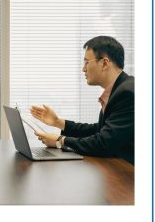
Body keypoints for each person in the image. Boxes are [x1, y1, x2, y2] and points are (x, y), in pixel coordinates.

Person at [30, 36, 134, 165]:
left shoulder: (127, 93)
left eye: (87, 62)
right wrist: (58, 122)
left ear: (105, 63)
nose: (83, 69)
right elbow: (100, 130)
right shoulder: (118, 89)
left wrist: (60, 140)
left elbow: (104, 143)